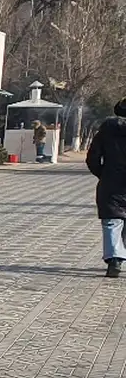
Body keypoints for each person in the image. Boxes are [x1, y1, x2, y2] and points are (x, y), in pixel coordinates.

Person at [84, 99, 126, 278]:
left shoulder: (106, 130)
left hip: (111, 183)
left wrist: (104, 174)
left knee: (112, 221)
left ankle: (115, 259)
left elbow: (92, 158)